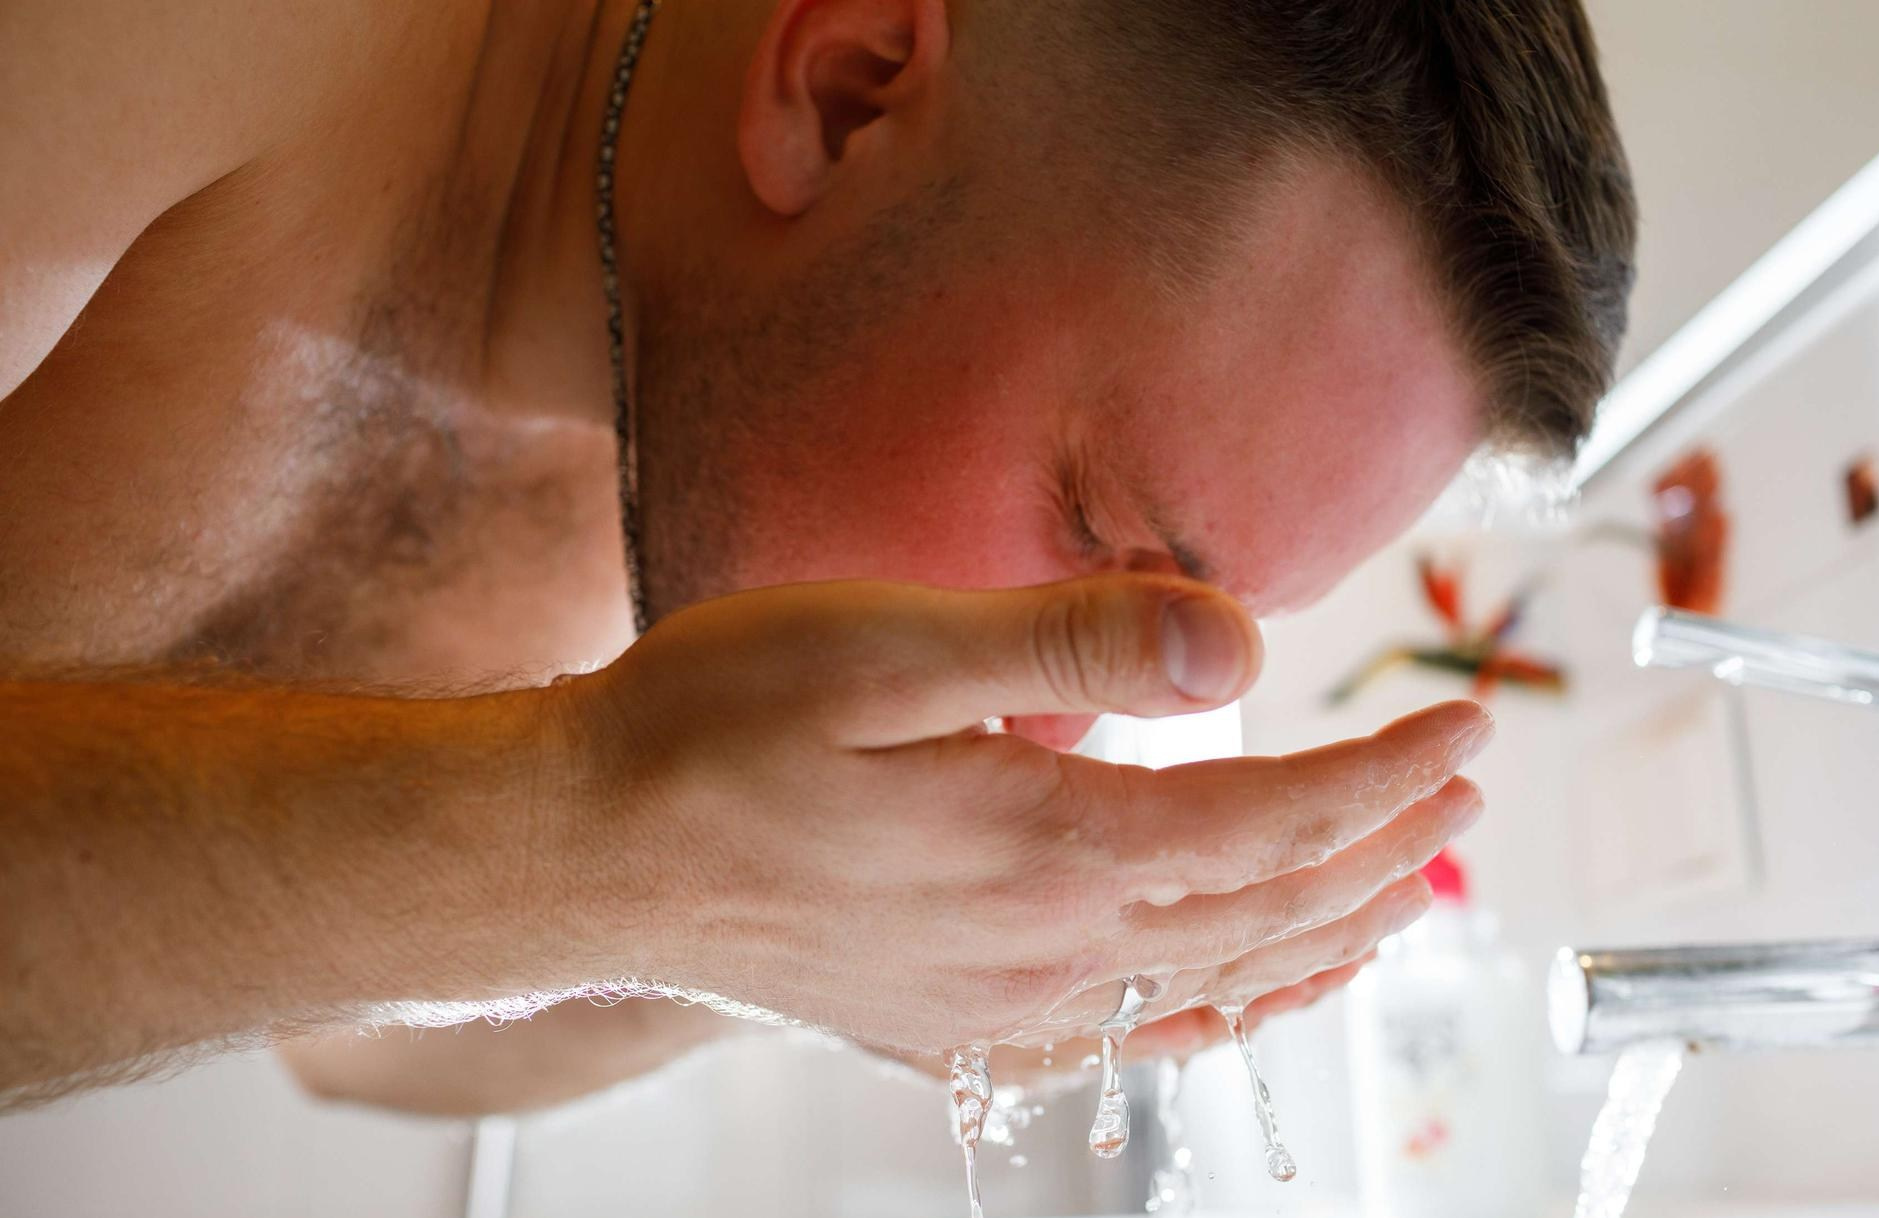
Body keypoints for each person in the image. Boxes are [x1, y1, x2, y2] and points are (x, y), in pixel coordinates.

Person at [0, 0, 1634, 1115]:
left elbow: (333, 1025)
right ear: (844, 81)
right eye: (1095, 534)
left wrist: (806, 940)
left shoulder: (683, 475)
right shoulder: (198, 41)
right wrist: (599, 840)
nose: (1061, 723)